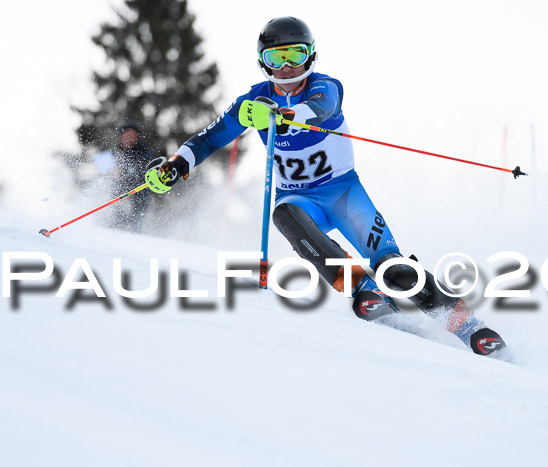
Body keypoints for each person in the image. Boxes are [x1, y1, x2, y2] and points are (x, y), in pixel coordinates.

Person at [144, 17, 507, 357]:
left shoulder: (324, 87)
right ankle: (362, 289)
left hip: (344, 194)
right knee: (284, 214)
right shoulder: (251, 103)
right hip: (300, 199)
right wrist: (177, 166)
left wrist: (284, 118)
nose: (286, 67)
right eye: (276, 58)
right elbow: (209, 138)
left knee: (394, 269)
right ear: (263, 63)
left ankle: (470, 327)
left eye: (295, 55)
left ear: (310, 56)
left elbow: (323, 107)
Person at [104, 121, 153, 232]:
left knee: (133, 230)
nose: (129, 138)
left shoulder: (143, 152)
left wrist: (125, 178)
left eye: (132, 135)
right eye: (126, 135)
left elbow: (144, 173)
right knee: (114, 228)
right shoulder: (114, 152)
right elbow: (103, 173)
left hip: (138, 199)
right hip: (116, 200)